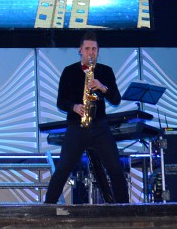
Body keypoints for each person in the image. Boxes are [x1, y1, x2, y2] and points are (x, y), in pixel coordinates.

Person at [43, 32, 129, 204]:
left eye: (94, 49)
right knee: (63, 168)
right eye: (87, 49)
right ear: (80, 50)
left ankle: (124, 208)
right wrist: (74, 107)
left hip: (100, 126)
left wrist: (103, 87)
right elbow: (61, 102)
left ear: (98, 51)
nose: (91, 53)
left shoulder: (105, 71)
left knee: (115, 168)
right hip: (77, 125)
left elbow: (116, 99)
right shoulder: (69, 72)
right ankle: (48, 207)